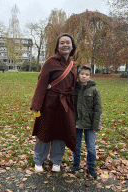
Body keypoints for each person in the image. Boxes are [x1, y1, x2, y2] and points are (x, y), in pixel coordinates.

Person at [30, 33, 77, 173]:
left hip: (65, 105)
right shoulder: (50, 62)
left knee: (61, 134)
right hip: (49, 104)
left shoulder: (73, 65)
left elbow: (74, 87)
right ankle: (39, 160)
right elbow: (41, 83)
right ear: (57, 46)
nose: (65, 45)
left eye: (68, 42)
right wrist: (36, 105)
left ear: (72, 46)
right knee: (44, 133)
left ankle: (56, 161)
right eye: (62, 43)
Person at [71, 65, 102, 178]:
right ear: (78, 75)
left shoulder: (94, 90)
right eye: (82, 74)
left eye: (87, 74)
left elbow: (98, 109)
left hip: (89, 124)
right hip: (77, 123)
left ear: (90, 77)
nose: (84, 76)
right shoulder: (74, 88)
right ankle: (75, 163)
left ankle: (91, 165)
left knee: (91, 147)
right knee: (76, 145)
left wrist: (96, 125)